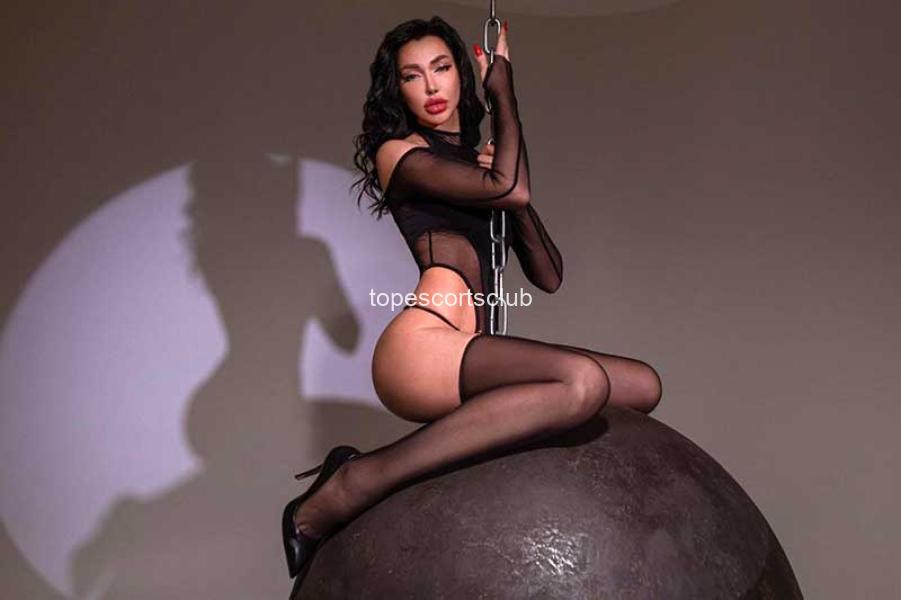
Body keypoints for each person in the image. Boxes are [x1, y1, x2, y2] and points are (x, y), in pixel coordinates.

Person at [282, 15, 663, 583]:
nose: (431, 86)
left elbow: (548, 274)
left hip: (468, 347)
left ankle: (362, 474)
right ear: (398, 90)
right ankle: (353, 482)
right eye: (412, 76)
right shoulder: (400, 153)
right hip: (423, 347)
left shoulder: (484, 166)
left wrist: (512, 193)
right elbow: (509, 185)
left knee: (641, 386)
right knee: (582, 382)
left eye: (441, 68)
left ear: (461, 74)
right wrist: (505, 92)